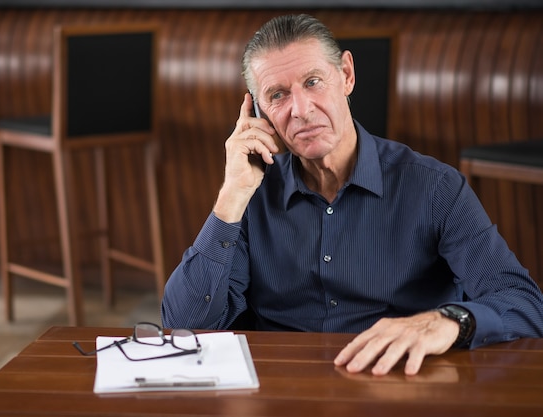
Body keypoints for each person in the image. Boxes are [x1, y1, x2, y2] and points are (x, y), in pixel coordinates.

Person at [161, 14, 543, 376]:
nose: (301, 110)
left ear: (346, 75)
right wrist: (231, 196)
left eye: (313, 82)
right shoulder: (250, 193)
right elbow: (182, 326)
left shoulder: (436, 187)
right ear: (258, 110)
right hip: (280, 386)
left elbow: (524, 304)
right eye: (278, 95)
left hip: (396, 382)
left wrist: (449, 321)